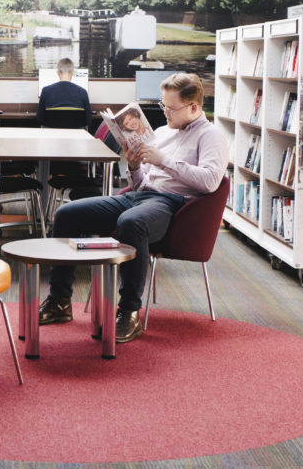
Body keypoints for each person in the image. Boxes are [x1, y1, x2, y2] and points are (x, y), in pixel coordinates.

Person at [39, 73, 228, 343]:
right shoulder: (161, 133)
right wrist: (135, 166)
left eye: (170, 108)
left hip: (173, 206)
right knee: (67, 214)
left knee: (132, 223)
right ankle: (60, 301)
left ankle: (128, 312)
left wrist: (164, 162)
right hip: (139, 197)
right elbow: (141, 186)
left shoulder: (211, 137)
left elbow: (210, 181)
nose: (165, 113)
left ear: (194, 108)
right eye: (163, 106)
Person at [36, 57, 92, 129]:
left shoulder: (45, 90)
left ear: (58, 72)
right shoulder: (83, 92)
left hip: (51, 136)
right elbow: (89, 120)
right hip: (76, 137)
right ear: (72, 73)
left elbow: (39, 118)